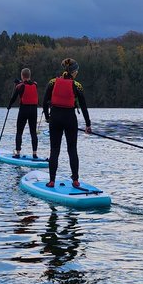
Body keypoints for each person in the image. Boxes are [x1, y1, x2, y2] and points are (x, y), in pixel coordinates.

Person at [42, 58, 92, 188]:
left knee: (54, 149)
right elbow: (84, 107)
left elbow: (44, 102)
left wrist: (48, 117)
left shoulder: (52, 82)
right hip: (70, 119)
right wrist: (88, 124)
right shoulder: (77, 85)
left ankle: (52, 181)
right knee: (72, 149)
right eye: (77, 71)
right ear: (74, 72)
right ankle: (75, 180)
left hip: (55, 118)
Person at [9, 67, 40, 159]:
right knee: (33, 132)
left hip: (24, 110)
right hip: (34, 110)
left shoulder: (19, 86)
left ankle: (18, 153)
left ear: (22, 76)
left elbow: (14, 97)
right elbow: (27, 84)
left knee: (19, 132)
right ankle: (34, 153)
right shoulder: (35, 85)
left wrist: (9, 106)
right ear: (29, 76)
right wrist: (19, 82)